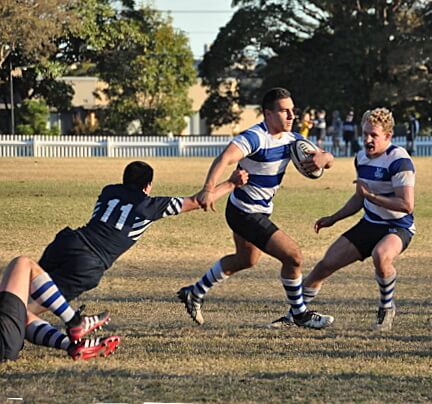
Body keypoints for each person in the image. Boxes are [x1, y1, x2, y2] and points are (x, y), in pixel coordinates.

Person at [27, 160, 246, 355]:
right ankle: (71, 325)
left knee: (26, 289)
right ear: (147, 186)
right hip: (89, 262)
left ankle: (49, 325)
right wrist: (231, 183)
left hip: (68, 241)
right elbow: (198, 201)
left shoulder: (108, 191)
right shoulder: (148, 205)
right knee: (32, 306)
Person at [177, 87, 335, 329]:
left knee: (246, 259)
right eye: (284, 111)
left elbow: (327, 157)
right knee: (293, 256)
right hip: (245, 213)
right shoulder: (255, 137)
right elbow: (225, 158)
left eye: (292, 110)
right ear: (268, 114)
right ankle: (300, 314)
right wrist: (208, 188)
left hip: (252, 209)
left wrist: (324, 159)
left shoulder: (293, 139)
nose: (291, 116)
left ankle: (194, 292)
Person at [270, 108, 415, 331]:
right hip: (370, 224)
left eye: (373, 135)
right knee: (325, 265)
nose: (367, 139)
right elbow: (359, 198)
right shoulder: (362, 158)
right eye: (365, 133)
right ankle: (295, 316)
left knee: (381, 255)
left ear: (388, 136)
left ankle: (387, 307)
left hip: (397, 226)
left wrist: (371, 197)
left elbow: (406, 205)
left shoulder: (399, 161)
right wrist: (334, 218)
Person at [0, 256, 120, 361]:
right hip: (4, 342)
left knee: (22, 314)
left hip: (7, 344)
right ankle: (75, 322)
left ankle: (72, 346)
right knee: (23, 263)